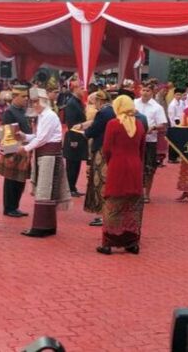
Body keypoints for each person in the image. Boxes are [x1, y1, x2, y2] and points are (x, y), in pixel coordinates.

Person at [17, 88, 72, 238]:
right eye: (32, 102)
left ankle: (41, 227)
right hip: (45, 156)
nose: (34, 105)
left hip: (49, 156)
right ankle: (47, 226)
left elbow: (42, 139)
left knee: (44, 191)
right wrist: (25, 136)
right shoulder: (43, 115)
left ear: (43, 101)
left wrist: (26, 148)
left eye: (36, 102)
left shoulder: (48, 116)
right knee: (46, 191)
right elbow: (39, 135)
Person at [97, 95, 145, 255]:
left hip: (118, 166)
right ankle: (132, 242)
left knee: (113, 205)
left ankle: (108, 242)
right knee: (133, 206)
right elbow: (142, 150)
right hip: (135, 166)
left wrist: (112, 163)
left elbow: (107, 149)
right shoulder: (139, 124)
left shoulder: (113, 124)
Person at [79, 90, 115, 227]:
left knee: (99, 181)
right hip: (108, 149)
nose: (95, 106)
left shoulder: (103, 113)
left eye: (95, 103)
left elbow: (94, 129)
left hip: (101, 149)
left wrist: (84, 133)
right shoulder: (112, 111)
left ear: (100, 101)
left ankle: (102, 213)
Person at [0, 85, 32, 218]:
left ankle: (15, 206)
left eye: (26, 96)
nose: (26, 99)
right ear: (15, 97)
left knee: (20, 180)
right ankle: (9, 207)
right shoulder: (10, 112)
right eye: (23, 96)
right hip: (14, 150)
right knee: (11, 179)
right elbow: (7, 134)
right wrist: (12, 152)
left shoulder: (23, 111)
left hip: (24, 149)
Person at [134, 83, 168, 203]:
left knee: (149, 168)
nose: (145, 92)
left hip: (149, 141)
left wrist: (153, 127)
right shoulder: (134, 103)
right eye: (143, 90)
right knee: (134, 167)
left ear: (152, 92)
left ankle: (146, 194)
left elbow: (163, 124)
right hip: (135, 140)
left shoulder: (157, 107)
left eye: (148, 90)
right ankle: (135, 192)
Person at [62, 81, 87, 197]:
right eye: (81, 88)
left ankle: (73, 187)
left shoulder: (78, 102)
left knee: (76, 163)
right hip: (74, 137)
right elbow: (70, 122)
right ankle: (70, 188)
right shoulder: (72, 103)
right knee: (72, 164)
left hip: (79, 136)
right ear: (75, 89)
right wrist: (73, 140)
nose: (84, 90)